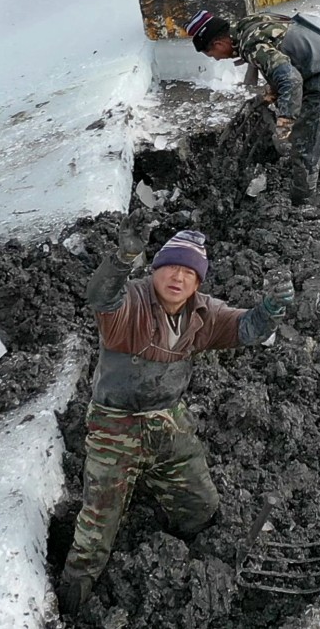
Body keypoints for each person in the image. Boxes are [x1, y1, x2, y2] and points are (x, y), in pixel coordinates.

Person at [56, 230, 294, 617]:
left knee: (201, 508)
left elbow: (247, 329)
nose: (177, 278)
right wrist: (121, 259)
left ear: (198, 281)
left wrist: (270, 309)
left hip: (169, 421)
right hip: (117, 425)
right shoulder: (129, 301)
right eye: (170, 267)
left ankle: (184, 551)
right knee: (97, 527)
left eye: (189, 272)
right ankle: (71, 603)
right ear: (154, 270)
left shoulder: (203, 313)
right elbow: (100, 295)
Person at [190, 9, 320, 205]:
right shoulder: (249, 24)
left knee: (303, 144)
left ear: (219, 44)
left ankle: (303, 204)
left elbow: (291, 80)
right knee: (315, 128)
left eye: (212, 54)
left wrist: (286, 120)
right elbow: (281, 55)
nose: (216, 59)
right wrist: (273, 89)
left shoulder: (251, 44)